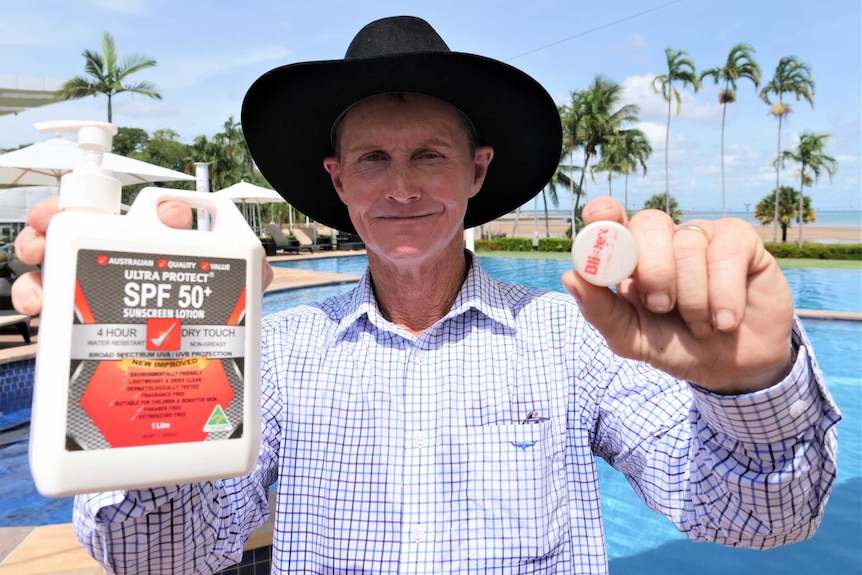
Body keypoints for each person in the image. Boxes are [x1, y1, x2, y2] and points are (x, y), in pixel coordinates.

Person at [14, 16, 840, 575]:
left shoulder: (571, 338)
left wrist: (748, 387)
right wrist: (135, 385)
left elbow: (759, 517)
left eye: (429, 157)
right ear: (337, 181)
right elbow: (167, 556)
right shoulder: (283, 356)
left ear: (477, 170)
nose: (400, 187)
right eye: (373, 159)